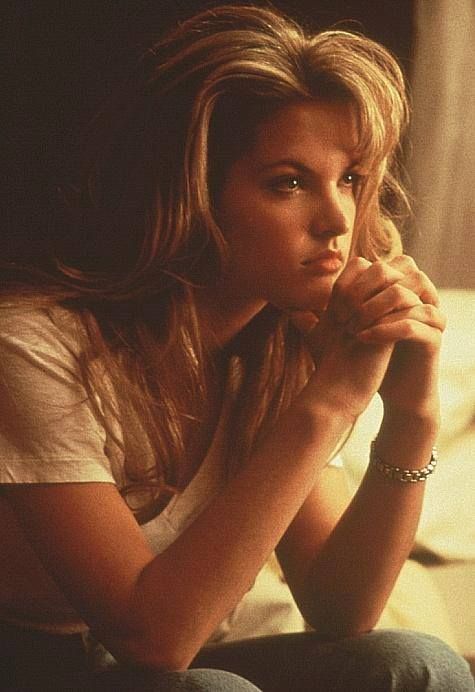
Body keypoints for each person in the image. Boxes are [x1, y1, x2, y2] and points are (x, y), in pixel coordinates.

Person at [0, 4, 473, 691]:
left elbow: (342, 609)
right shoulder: (35, 345)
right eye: (287, 183)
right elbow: (152, 639)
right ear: (192, 193)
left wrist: (410, 416)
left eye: (349, 178)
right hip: (27, 665)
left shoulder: (275, 347)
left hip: (149, 665)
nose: (337, 218)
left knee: (417, 664)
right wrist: (332, 399)